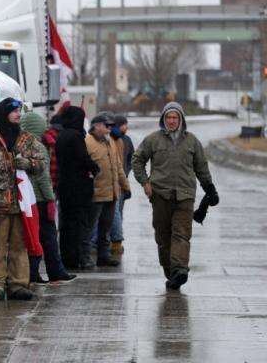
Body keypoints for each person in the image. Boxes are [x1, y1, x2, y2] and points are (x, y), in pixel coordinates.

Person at [131, 102, 218, 290]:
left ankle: (180, 269)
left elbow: (201, 167)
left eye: (175, 118)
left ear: (181, 120)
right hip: (160, 194)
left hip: (185, 195)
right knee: (163, 236)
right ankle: (170, 271)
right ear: (163, 119)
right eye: (168, 118)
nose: (171, 121)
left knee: (181, 233)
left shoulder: (192, 141)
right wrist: (145, 182)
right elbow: (137, 160)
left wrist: (210, 189)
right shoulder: (153, 140)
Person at [0, 98, 45, 301]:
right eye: (13, 111)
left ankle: (18, 284)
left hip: (20, 202)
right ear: (4, 113)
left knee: (18, 244)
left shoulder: (27, 138)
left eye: (19, 111)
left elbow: (41, 164)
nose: (18, 114)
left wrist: (27, 163)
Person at [20, 112, 77, 284]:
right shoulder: (38, 146)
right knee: (49, 237)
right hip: (41, 199)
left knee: (32, 237)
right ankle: (55, 271)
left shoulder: (20, 144)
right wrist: (50, 198)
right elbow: (43, 177)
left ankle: (32, 272)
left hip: (27, 199)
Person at [55, 106, 99, 269]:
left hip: (65, 186)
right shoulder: (75, 136)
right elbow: (83, 158)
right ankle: (74, 259)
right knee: (78, 225)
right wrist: (95, 168)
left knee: (66, 225)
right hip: (78, 188)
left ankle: (67, 258)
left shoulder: (61, 135)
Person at [85, 113, 130, 267]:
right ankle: (85, 256)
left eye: (111, 126)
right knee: (90, 228)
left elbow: (118, 166)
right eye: (107, 126)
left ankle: (103, 256)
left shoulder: (109, 141)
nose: (110, 129)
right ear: (96, 126)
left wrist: (125, 186)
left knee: (106, 228)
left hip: (112, 193)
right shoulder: (87, 142)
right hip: (96, 194)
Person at [109, 114, 134, 255]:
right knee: (115, 212)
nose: (126, 126)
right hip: (114, 182)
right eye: (124, 124)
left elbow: (132, 158)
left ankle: (116, 240)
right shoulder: (112, 139)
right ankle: (115, 240)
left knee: (119, 212)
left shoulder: (127, 140)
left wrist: (127, 170)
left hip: (122, 181)